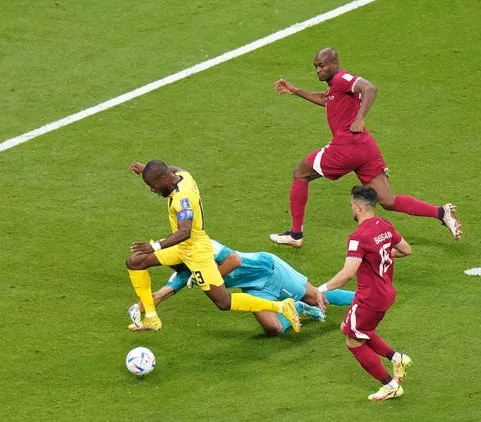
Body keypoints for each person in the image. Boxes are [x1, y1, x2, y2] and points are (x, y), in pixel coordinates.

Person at [270, 47, 461, 248]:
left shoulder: (343, 78)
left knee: (301, 173)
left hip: (346, 147)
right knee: (388, 200)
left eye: (322, 65)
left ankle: (295, 234)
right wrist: (296, 91)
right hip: (364, 147)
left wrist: (360, 118)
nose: (318, 70)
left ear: (335, 63)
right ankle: (441, 212)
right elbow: (326, 100)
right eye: (316, 66)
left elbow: (370, 88)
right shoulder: (335, 85)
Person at [126, 160, 300, 332]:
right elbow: (175, 168)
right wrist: (146, 170)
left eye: (153, 185)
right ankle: (151, 319)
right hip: (181, 247)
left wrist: (156, 246)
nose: (153, 190)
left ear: (164, 178)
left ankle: (282, 307)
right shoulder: (183, 176)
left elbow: (185, 231)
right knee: (135, 262)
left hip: (196, 251)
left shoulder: (182, 200)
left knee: (223, 302)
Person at [129, 239, 356, 336]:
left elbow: (235, 260)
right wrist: (145, 305)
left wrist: (212, 277)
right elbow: (165, 292)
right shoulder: (185, 271)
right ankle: (296, 308)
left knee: (315, 295)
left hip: (269, 271)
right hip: (253, 288)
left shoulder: (203, 246)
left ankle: (362, 298)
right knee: (273, 330)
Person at [316, 186, 413, 401]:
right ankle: (398, 358)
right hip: (386, 291)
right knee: (353, 328)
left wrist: (321, 289)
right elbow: (406, 249)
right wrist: (381, 255)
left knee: (353, 341)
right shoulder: (385, 225)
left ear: (359, 207)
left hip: (370, 297)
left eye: (351, 205)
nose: (351, 208)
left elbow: (347, 273)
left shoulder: (358, 237)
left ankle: (390, 385)